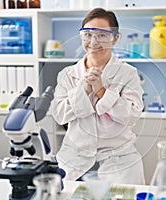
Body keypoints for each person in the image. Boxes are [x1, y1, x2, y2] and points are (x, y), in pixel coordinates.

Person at [51, 7, 145, 185]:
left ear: (115, 38)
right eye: (87, 34)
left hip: (119, 161)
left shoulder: (128, 73)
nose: (93, 41)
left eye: (102, 35)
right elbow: (60, 114)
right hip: (74, 161)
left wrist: (102, 91)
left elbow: (132, 116)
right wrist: (83, 90)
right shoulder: (67, 74)